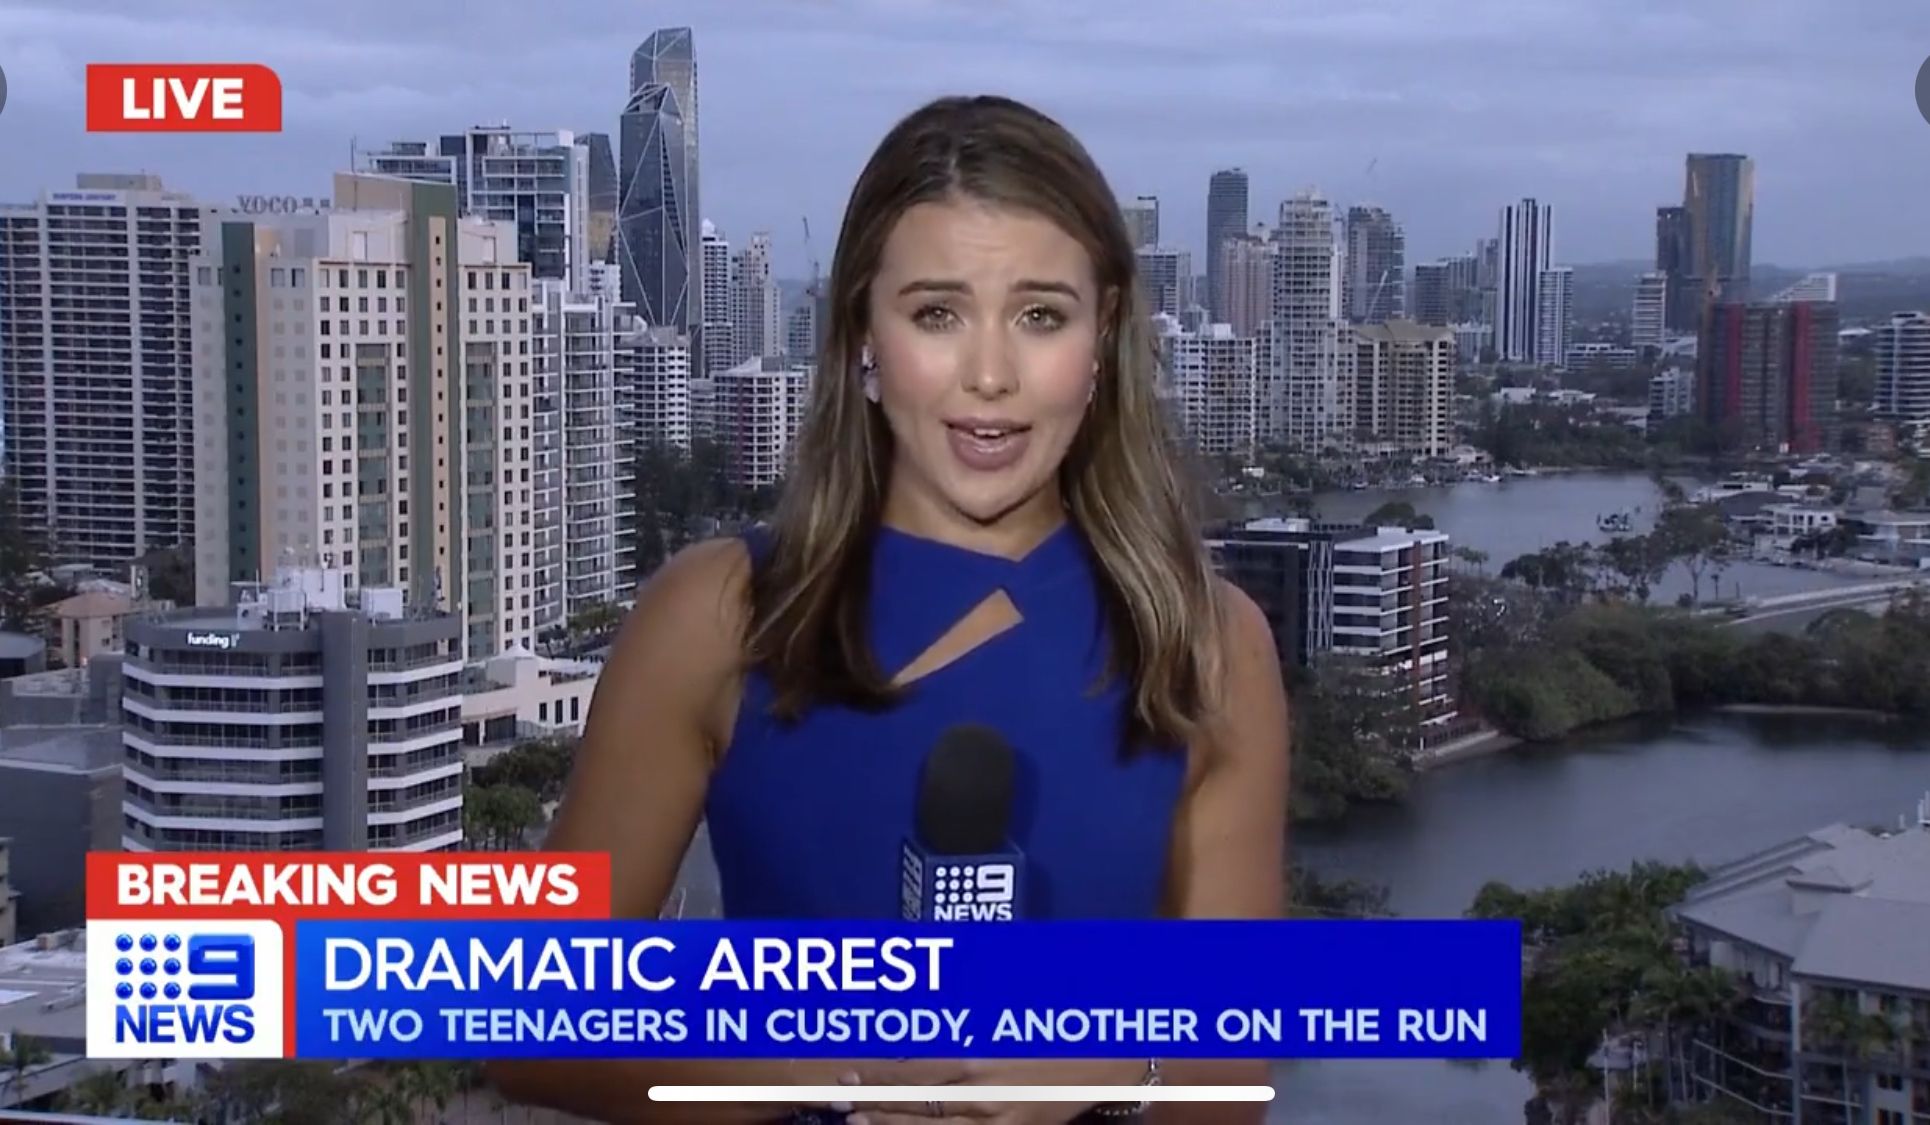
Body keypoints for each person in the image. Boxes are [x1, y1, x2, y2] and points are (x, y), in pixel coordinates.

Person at [488, 94, 1288, 1125]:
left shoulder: (1209, 643)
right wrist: (824, 1060)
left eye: (1040, 316)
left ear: (1103, 339)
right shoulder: (717, 616)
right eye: (937, 314)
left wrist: (1110, 1068)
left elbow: (1234, 1079)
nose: (990, 376)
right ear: (864, 335)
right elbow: (530, 1036)